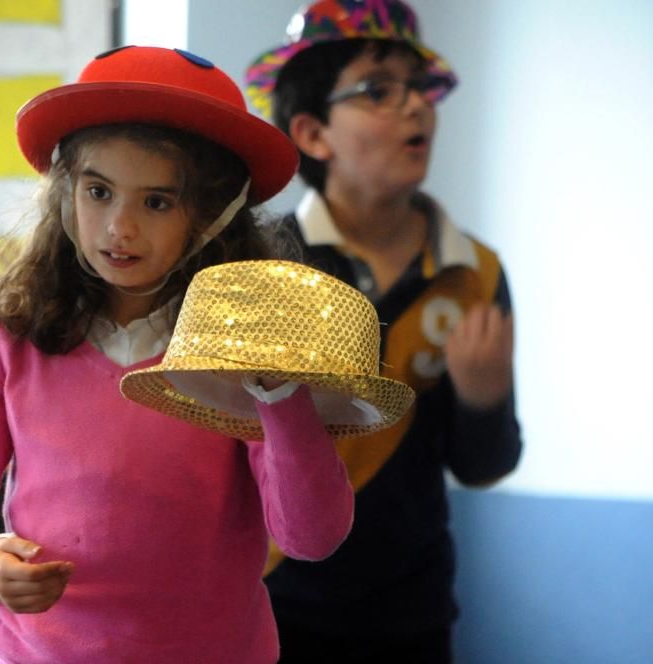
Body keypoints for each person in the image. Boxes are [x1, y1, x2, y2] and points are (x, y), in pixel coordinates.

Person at [0, 45, 358, 664]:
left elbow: (312, 537)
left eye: (157, 201)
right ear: (65, 192)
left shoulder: (240, 353)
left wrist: (279, 392)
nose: (119, 228)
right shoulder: (11, 344)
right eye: (98, 191)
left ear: (213, 216)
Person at [244, 1, 524, 661]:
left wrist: (485, 397)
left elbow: (484, 464)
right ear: (313, 134)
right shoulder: (267, 259)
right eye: (378, 90)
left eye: (419, 88)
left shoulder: (475, 271)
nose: (416, 107)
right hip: (273, 602)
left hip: (412, 612)